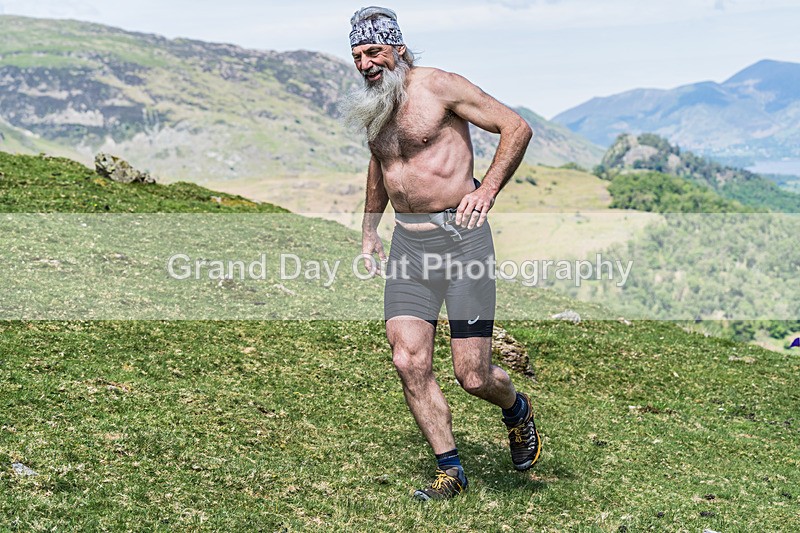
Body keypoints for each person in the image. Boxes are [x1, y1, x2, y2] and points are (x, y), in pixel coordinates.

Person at [341, 6, 541, 501]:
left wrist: (487, 190)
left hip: (462, 241)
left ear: (398, 49)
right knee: (408, 361)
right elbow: (380, 165)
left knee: (472, 375)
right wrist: (370, 231)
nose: (366, 64)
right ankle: (450, 470)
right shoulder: (376, 105)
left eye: (374, 52)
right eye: (357, 55)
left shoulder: (440, 86)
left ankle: (515, 407)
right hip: (410, 247)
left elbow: (515, 127)